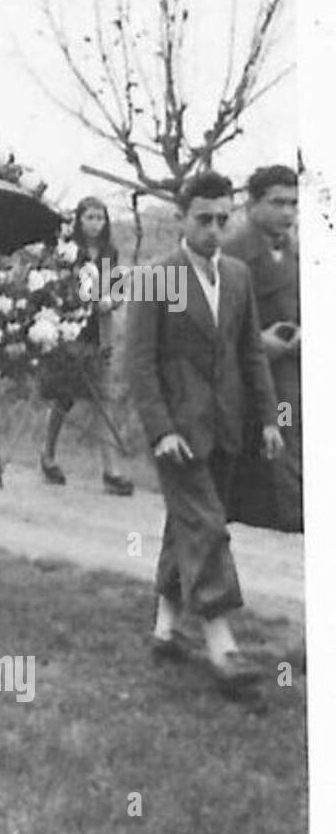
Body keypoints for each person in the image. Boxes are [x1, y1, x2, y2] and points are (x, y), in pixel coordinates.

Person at [125, 172, 283, 688]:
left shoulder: (236, 275)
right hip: (179, 433)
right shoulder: (158, 278)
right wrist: (160, 430)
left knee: (187, 525)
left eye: (223, 219)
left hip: (228, 427)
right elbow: (140, 365)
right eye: (203, 219)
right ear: (180, 218)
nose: (215, 229)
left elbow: (251, 353)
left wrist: (266, 418)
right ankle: (223, 646)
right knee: (208, 527)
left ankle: (166, 632)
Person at [224, 165, 302, 533]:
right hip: (248, 376)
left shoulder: (296, 254)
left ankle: (286, 508)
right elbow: (217, 324)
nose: (287, 213)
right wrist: (260, 342)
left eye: (293, 204)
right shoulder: (232, 254)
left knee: (287, 426)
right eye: (277, 203)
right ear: (252, 204)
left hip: (287, 373)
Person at [38, 197, 134, 495]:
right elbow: (57, 288)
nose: (95, 223)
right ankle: (48, 454)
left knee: (103, 398)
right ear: (79, 220)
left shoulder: (109, 252)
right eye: (89, 217)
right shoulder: (68, 251)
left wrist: (111, 300)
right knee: (63, 398)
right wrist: (85, 299)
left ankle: (111, 470)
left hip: (98, 333)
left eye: (100, 218)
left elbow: (117, 288)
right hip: (70, 332)